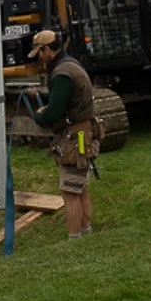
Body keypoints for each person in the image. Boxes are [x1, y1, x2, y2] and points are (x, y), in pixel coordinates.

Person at [27, 29, 100, 240]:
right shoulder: (70, 64)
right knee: (81, 188)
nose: (40, 58)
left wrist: (39, 116)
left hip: (74, 139)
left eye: (40, 53)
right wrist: (42, 96)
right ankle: (86, 232)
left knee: (69, 192)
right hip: (84, 134)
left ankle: (74, 238)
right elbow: (64, 97)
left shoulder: (61, 74)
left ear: (47, 50)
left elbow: (55, 111)